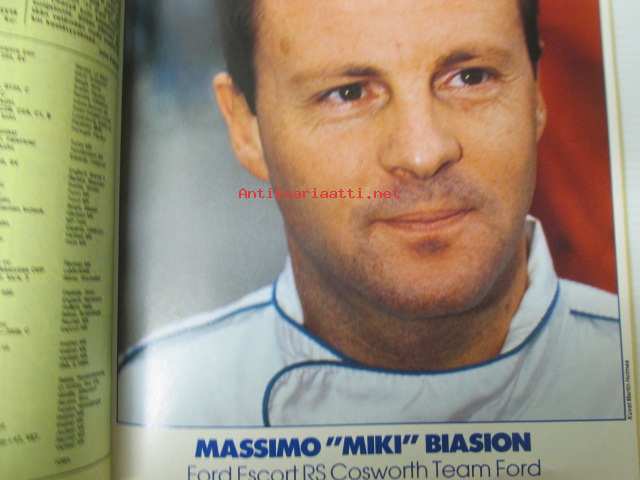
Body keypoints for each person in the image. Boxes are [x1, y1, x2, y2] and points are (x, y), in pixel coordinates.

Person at [118, 0, 623, 427]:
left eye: (470, 78)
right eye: (349, 93)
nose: (423, 154)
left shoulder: (627, 365)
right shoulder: (151, 407)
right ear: (246, 128)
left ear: (536, 93)